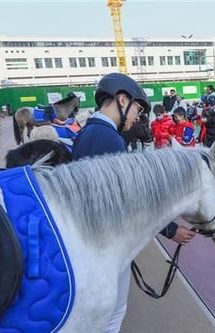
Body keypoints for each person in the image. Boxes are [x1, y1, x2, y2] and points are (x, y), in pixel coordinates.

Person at [72, 73, 195, 332]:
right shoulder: (107, 137)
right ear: (122, 99)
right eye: (137, 110)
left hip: (95, 241)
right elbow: (132, 201)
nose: (137, 116)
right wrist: (170, 230)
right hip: (106, 244)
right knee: (112, 316)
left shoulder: (90, 133)